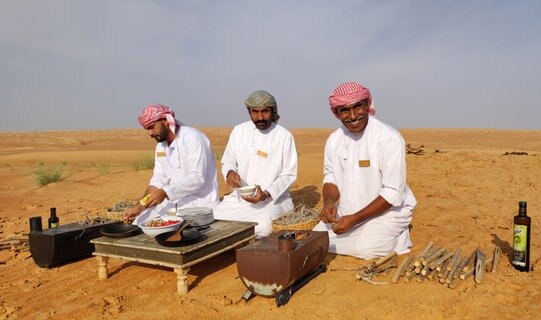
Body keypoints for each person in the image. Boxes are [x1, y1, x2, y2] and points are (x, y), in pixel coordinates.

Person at [313, 82, 417, 259]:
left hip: (388, 211)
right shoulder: (334, 140)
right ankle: (360, 235)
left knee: (367, 249)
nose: (353, 116)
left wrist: (355, 219)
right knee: (316, 240)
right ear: (336, 113)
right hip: (347, 212)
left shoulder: (389, 138)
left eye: (357, 107)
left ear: (367, 105)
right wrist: (329, 203)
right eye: (344, 110)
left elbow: (392, 192)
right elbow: (330, 178)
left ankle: (397, 236)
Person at [213, 90, 298, 237]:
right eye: (255, 112)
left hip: (272, 201)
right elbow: (228, 160)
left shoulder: (284, 136)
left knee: (263, 226)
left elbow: (289, 174)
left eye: (264, 111)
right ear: (249, 111)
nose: (260, 117)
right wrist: (229, 172)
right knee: (214, 217)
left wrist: (266, 194)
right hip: (240, 199)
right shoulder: (239, 131)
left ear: (272, 111)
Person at [123, 103, 220, 225]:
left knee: (168, 225)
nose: (150, 133)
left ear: (165, 120)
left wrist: (165, 192)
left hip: (200, 202)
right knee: (139, 221)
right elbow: (158, 181)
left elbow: (197, 178)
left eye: (152, 127)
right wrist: (140, 206)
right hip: (175, 202)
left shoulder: (193, 137)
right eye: (147, 129)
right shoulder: (161, 147)